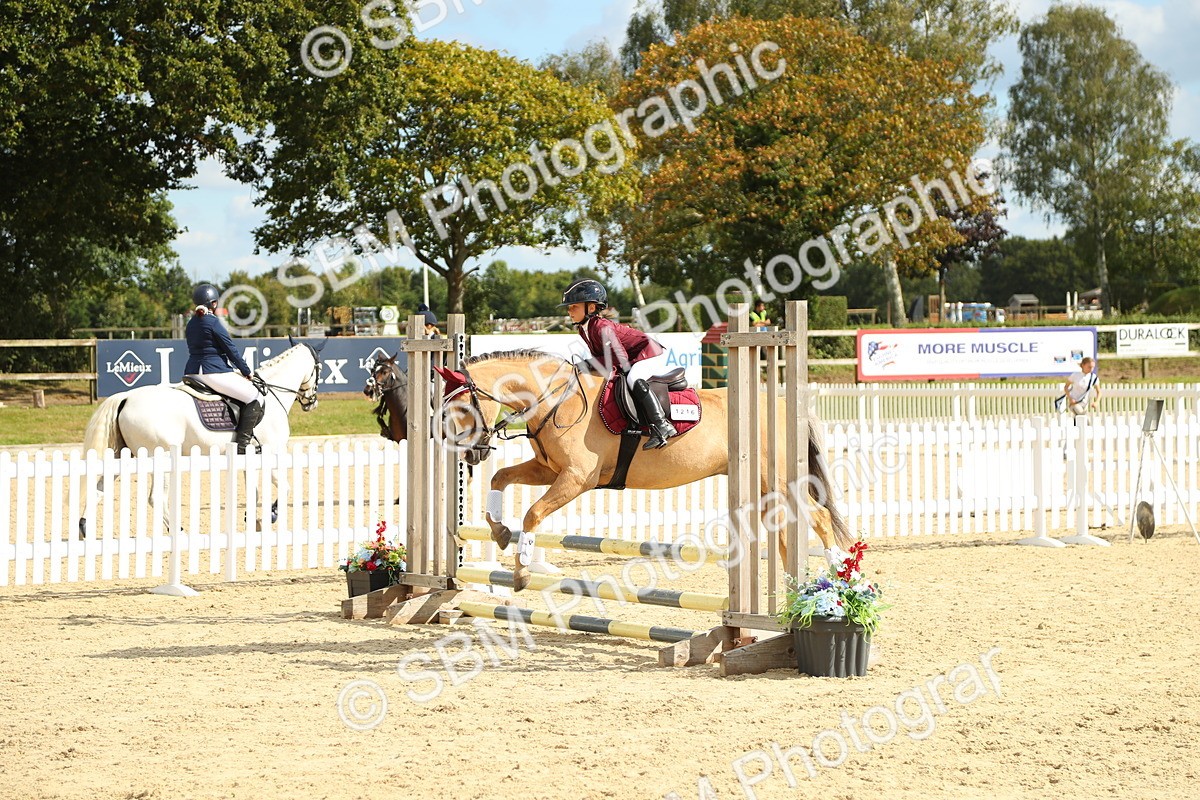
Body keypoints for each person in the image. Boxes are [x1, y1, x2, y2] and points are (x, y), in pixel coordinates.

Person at [560, 279, 677, 450]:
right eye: (569, 307)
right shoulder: (584, 328)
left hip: (649, 354)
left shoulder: (601, 327)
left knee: (633, 378)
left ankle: (661, 425)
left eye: (574, 307)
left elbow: (618, 358)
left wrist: (586, 363)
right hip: (632, 358)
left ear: (591, 308)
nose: (569, 311)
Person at [185, 284, 264, 454]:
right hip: (212, 371)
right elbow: (230, 349)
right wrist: (246, 371)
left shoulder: (191, 323)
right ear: (213, 303)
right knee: (255, 397)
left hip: (192, 371)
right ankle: (242, 446)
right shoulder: (212, 322)